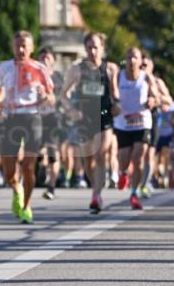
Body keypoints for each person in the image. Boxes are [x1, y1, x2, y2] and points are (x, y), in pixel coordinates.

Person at [0, 30, 54, 224]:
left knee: (28, 166)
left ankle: (27, 206)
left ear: (31, 48)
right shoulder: (4, 68)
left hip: (32, 118)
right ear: (13, 47)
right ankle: (16, 190)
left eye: (24, 46)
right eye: (17, 45)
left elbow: (51, 98)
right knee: (9, 171)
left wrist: (45, 97)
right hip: (11, 118)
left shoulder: (40, 68)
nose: (20, 50)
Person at [61, 33, 118, 214]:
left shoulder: (110, 69)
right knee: (88, 161)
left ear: (102, 48)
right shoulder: (77, 70)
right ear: (85, 49)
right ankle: (95, 188)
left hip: (105, 116)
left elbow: (115, 93)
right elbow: (63, 94)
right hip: (85, 118)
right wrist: (71, 110)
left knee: (100, 155)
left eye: (96, 47)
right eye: (89, 48)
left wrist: (118, 105)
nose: (93, 51)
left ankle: (96, 194)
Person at [113, 46, 159, 211]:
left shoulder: (147, 78)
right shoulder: (119, 76)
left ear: (140, 61)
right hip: (123, 124)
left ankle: (134, 193)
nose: (132, 61)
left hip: (142, 123)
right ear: (125, 60)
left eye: (135, 58)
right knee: (124, 158)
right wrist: (114, 106)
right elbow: (112, 94)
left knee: (139, 156)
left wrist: (152, 101)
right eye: (129, 57)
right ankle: (123, 173)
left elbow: (155, 96)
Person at [139, 54, 172, 196]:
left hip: (152, 119)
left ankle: (146, 182)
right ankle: (138, 180)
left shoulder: (157, 82)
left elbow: (168, 100)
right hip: (135, 121)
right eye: (142, 65)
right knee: (138, 153)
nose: (143, 68)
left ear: (151, 66)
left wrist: (157, 100)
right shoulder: (133, 80)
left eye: (146, 65)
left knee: (149, 154)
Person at [36, 46, 64, 201]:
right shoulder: (32, 76)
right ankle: (41, 166)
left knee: (53, 154)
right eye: (42, 58)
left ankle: (51, 187)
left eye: (48, 57)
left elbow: (59, 97)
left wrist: (48, 96)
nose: (45, 60)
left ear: (53, 60)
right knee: (38, 152)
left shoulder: (58, 77)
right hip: (36, 119)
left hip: (54, 118)